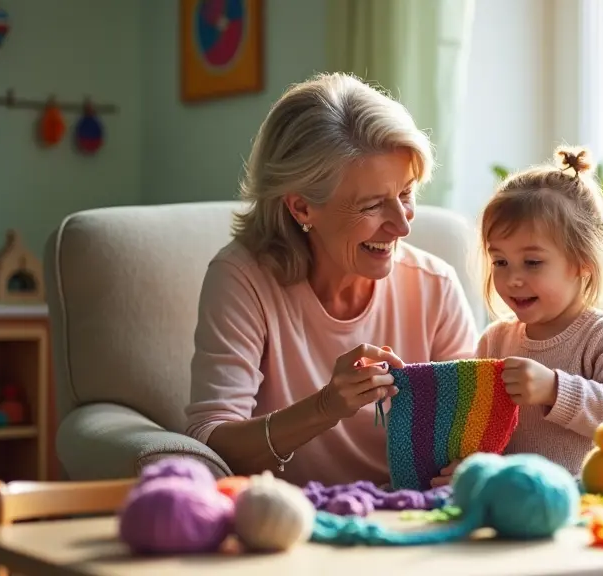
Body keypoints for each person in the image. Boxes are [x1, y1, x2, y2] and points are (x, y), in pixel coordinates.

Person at [184, 72, 479, 487]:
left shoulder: (435, 285)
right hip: (288, 523)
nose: (402, 226)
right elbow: (210, 441)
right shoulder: (242, 280)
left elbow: (474, 428)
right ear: (302, 208)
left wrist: (470, 465)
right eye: (373, 205)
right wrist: (325, 407)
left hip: (412, 518)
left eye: (407, 194)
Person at [442, 146, 603, 481]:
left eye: (533, 262)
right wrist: (469, 467)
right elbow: (478, 427)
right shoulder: (495, 340)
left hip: (587, 500)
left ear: (583, 262)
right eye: (500, 262)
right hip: (511, 500)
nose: (513, 279)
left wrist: (554, 389)